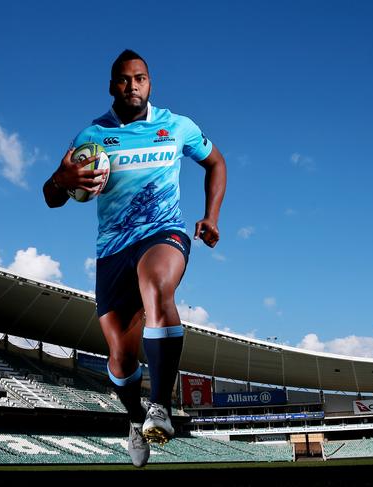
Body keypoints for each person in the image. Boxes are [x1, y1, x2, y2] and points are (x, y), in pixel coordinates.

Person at [42, 49, 226, 467]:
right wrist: (61, 178)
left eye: (140, 78)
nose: (132, 86)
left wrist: (211, 216)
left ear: (150, 83)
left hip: (164, 232)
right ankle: (133, 418)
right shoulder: (90, 136)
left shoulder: (176, 126)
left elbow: (216, 161)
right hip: (112, 251)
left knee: (157, 285)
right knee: (121, 358)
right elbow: (52, 197)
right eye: (124, 80)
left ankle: (160, 406)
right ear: (112, 87)